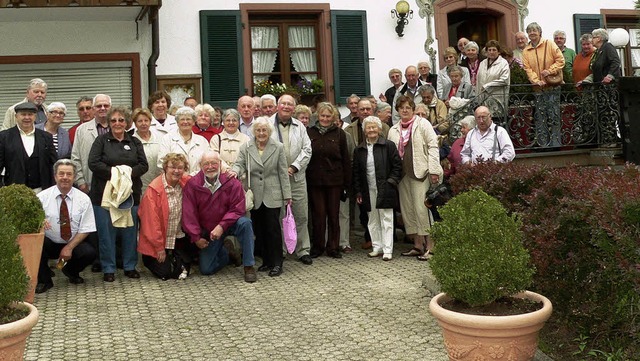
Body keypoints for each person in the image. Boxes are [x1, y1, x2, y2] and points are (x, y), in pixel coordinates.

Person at [88, 105, 148, 282]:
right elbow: (93, 163)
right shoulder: (101, 141)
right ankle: (108, 268)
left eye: (121, 120)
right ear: (108, 123)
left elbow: (143, 165)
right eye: (113, 120)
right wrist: (116, 174)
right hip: (104, 195)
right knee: (107, 233)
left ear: (127, 122)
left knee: (130, 231)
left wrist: (126, 173)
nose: (117, 123)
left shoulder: (135, 142)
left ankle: (130, 266)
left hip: (130, 194)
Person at [182, 151, 257, 283]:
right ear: (200, 165)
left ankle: (249, 266)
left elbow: (238, 208)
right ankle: (227, 253)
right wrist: (196, 237)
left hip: (230, 223)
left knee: (246, 223)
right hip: (209, 229)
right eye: (206, 164)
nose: (210, 166)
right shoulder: (193, 185)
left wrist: (222, 226)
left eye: (214, 163)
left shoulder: (232, 182)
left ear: (220, 164)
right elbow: (189, 213)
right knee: (206, 269)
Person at [229, 118, 291, 276]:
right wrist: (234, 171)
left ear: (269, 132)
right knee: (259, 229)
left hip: (273, 193)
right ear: (253, 131)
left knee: (273, 229)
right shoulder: (246, 147)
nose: (261, 133)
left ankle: (277, 263)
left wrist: (287, 195)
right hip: (254, 194)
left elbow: (283, 173)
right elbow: (239, 163)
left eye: (264, 130)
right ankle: (267, 261)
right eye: (258, 130)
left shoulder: (278, 147)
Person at [387, 95, 443, 259]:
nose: (405, 110)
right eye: (401, 107)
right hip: (402, 176)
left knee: (422, 209)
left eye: (408, 107)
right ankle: (418, 246)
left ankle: (431, 248)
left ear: (412, 109)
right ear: (397, 110)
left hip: (421, 172)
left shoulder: (423, 124)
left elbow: (433, 146)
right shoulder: (393, 130)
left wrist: (434, 170)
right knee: (408, 210)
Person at [35, 159, 97, 294]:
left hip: (72, 243)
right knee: (36, 244)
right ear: (55, 176)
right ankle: (44, 281)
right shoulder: (41, 197)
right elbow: (31, 223)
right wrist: (39, 223)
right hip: (50, 242)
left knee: (90, 252)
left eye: (69, 174)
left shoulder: (84, 199)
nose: (65, 177)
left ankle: (70, 270)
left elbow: (87, 228)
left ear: (74, 177)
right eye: (61, 174)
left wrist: (69, 248)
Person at [269, 94, 313, 265]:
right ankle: (281, 250)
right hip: (275, 179)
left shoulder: (300, 126)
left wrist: (294, 167)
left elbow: (307, 149)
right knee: (278, 216)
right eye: (283, 104)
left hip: (296, 177)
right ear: (277, 106)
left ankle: (303, 250)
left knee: (301, 214)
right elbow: (262, 148)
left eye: (290, 104)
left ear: (293, 108)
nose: (286, 107)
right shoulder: (267, 124)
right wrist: (279, 170)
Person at [352, 116, 402, 261]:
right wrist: (359, 191)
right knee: (372, 219)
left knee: (386, 218)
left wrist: (391, 182)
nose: (371, 130)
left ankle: (388, 249)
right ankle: (377, 247)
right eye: (368, 127)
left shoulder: (388, 146)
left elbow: (397, 166)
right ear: (364, 131)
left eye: (374, 127)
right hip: (368, 189)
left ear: (380, 129)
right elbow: (356, 172)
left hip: (385, 188)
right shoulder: (359, 149)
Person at [306, 102, 351, 259]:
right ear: (317, 116)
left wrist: (346, 183)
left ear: (333, 117)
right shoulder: (309, 132)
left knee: (333, 215)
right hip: (315, 181)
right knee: (318, 215)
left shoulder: (339, 134)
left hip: (334, 181)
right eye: (322, 115)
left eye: (328, 116)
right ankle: (318, 247)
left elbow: (346, 159)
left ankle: (333, 247)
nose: (325, 118)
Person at [138, 153, 192, 280]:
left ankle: (179, 261)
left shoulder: (184, 183)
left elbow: (201, 180)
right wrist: (159, 248)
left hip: (177, 237)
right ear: (165, 168)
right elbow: (151, 224)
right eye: (173, 167)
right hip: (157, 242)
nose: (176, 171)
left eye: (180, 168)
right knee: (166, 273)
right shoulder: (154, 191)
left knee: (181, 272)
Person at [522, 22, 565, 148]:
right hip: (538, 88)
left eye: (534, 30)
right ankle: (543, 145)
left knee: (554, 116)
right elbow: (527, 69)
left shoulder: (549, 44)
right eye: (529, 31)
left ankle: (556, 144)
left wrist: (550, 71)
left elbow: (560, 60)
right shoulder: (526, 51)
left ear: (540, 32)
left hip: (552, 86)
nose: (532, 33)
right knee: (540, 117)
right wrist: (536, 81)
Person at [0, 102, 57, 191]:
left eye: (30, 114)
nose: (27, 117)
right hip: (14, 191)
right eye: (23, 114)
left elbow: (54, 164)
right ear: (16, 116)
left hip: (42, 190)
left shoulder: (46, 137)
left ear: (35, 116)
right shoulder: (4, 137)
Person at [71, 94, 112, 194]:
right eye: (98, 106)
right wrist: (80, 182)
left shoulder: (118, 127)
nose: (102, 108)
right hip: (90, 185)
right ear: (93, 109)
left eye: (106, 106)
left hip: (114, 183)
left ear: (111, 108)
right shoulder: (81, 130)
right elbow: (75, 158)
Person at [158, 106, 210, 176]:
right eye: (182, 119)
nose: (185, 122)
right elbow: (162, 162)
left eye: (188, 119)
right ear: (177, 122)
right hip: (175, 182)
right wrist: (182, 176)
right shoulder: (167, 139)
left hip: (197, 181)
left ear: (194, 122)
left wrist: (193, 176)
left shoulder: (202, 141)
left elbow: (208, 162)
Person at [476, 40, 511, 122]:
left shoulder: (503, 63)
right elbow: (478, 81)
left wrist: (488, 86)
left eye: (494, 50)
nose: (491, 52)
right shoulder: (482, 63)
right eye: (489, 50)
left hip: (497, 100)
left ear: (498, 52)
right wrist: (477, 99)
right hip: (482, 100)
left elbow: (504, 80)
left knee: (496, 123)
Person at [132, 108, 162, 194]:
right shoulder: (131, 141)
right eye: (140, 121)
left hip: (158, 183)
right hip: (140, 185)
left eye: (146, 120)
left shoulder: (160, 138)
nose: (143, 124)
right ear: (135, 123)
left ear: (150, 122)